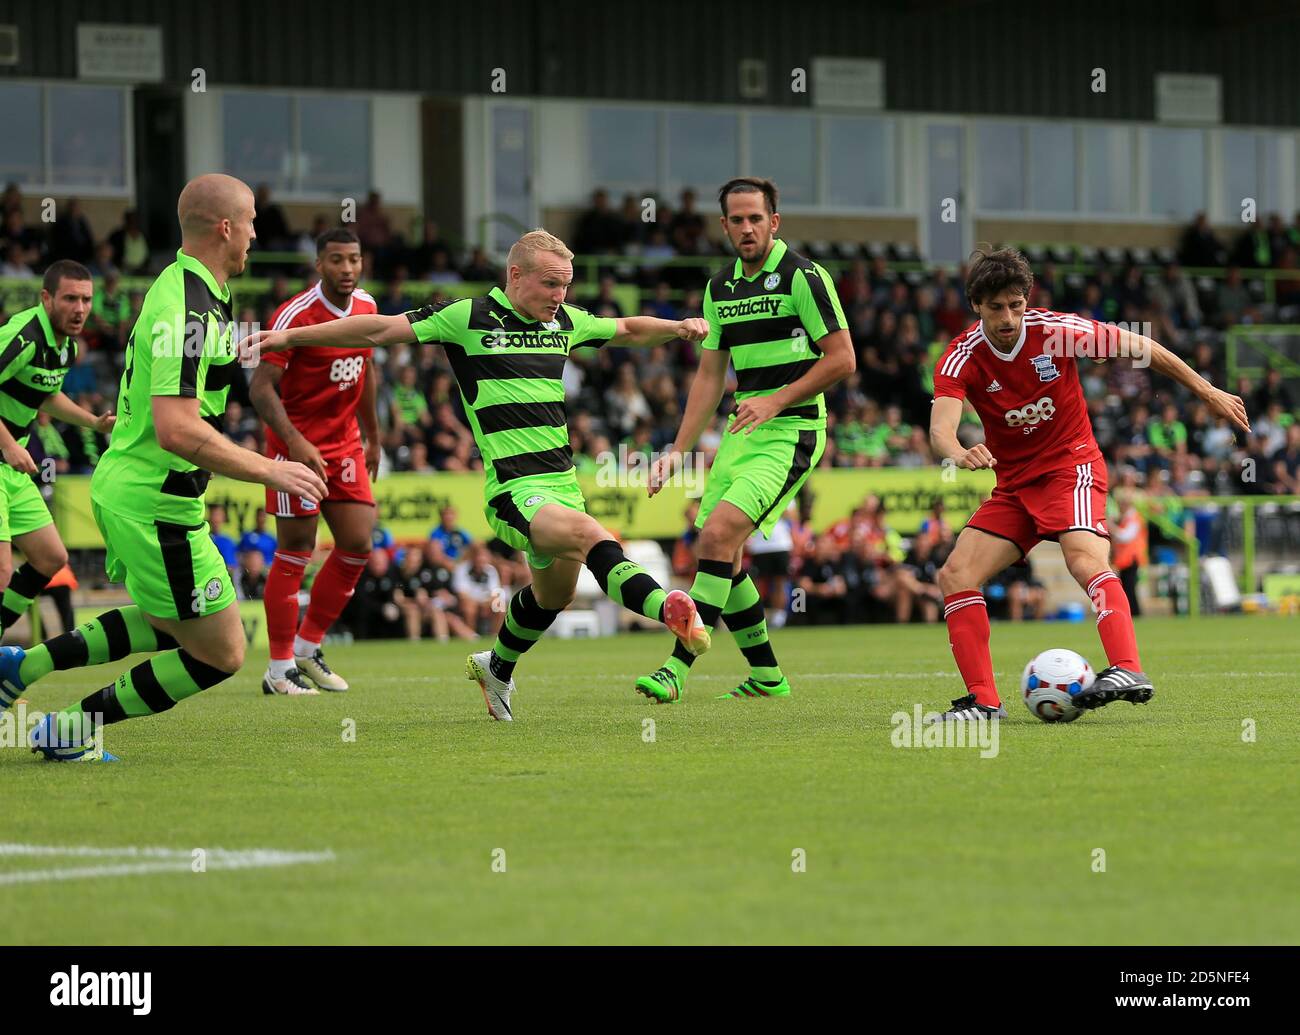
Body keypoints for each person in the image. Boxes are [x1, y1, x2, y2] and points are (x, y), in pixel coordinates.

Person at [247, 228, 712, 721]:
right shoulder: (466, 317)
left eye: (566, 286)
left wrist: (678, 327)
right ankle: (668, 608)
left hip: (562, 485)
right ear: (516, 275)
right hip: (515, 490)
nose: (560, 297)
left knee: (554, 595)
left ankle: (498, 666)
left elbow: (626, 330)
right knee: (591, 535)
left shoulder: (564, 323)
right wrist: (292, 336)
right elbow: (377, 330)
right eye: (551, 284)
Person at [0, 174, 325, 762]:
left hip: (142, 492)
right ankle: (67, 729)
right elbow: (176, 429)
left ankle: (22, 667)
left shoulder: (189, 287)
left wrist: (250, 343)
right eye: (251, 220)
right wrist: (269, 470)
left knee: (168, 620)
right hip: (156, 503)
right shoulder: (190, 304)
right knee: (222, 651)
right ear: (226, 227)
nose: (256, 232)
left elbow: (196, 360)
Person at [927, 247, 1250, 721]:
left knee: (1083, 559)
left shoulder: (1057, 333)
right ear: (976, 304)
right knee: (955, 575)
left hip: (1069, 466)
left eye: (1016, 304)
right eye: (996, 307)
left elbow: (1143, 348)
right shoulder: (961, 358)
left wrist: (1208, 391)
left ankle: (1127, 668)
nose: (1008, 317)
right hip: (1015, 485)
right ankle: (983, 702)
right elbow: (940, 429)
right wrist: (958, 452)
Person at [636, 177, 854, 703]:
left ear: (774, 222)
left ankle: (676, 668)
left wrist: (777, 400)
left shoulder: (805, 276)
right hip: (742, 433)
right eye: (737, 220)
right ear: (724, 225)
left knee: (715, 539)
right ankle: (767, 675)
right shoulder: (719, 289)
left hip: (793, 429)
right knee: (722, 553)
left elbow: (842, 359)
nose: (747, 228)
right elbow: (710, 378)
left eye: (757, 218)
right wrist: (676, 452)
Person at [249, 228, 380, 695]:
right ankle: (278, 667)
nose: (347, 269)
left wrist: (374, 436)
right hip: (294, 447)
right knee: (296, 550)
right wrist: (294, 442)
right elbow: (260, 387)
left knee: (358, 542)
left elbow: (365, 370)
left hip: (344, 444)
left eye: (354, 259)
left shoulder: (367, 306)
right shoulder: (295, 314)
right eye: (337, 260)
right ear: (319, 265)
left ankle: (308, 648)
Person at [0, 261, 115, 641]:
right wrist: (7, 445)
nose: (80, 308)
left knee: (51, 557)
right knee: (1, 572)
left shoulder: (64, 347)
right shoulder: (24, 335)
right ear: (46, 298)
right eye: (70, 298)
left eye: (86, 299)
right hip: (4, 456)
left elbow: (46, 394)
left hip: (10, 468)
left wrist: (93, 422)